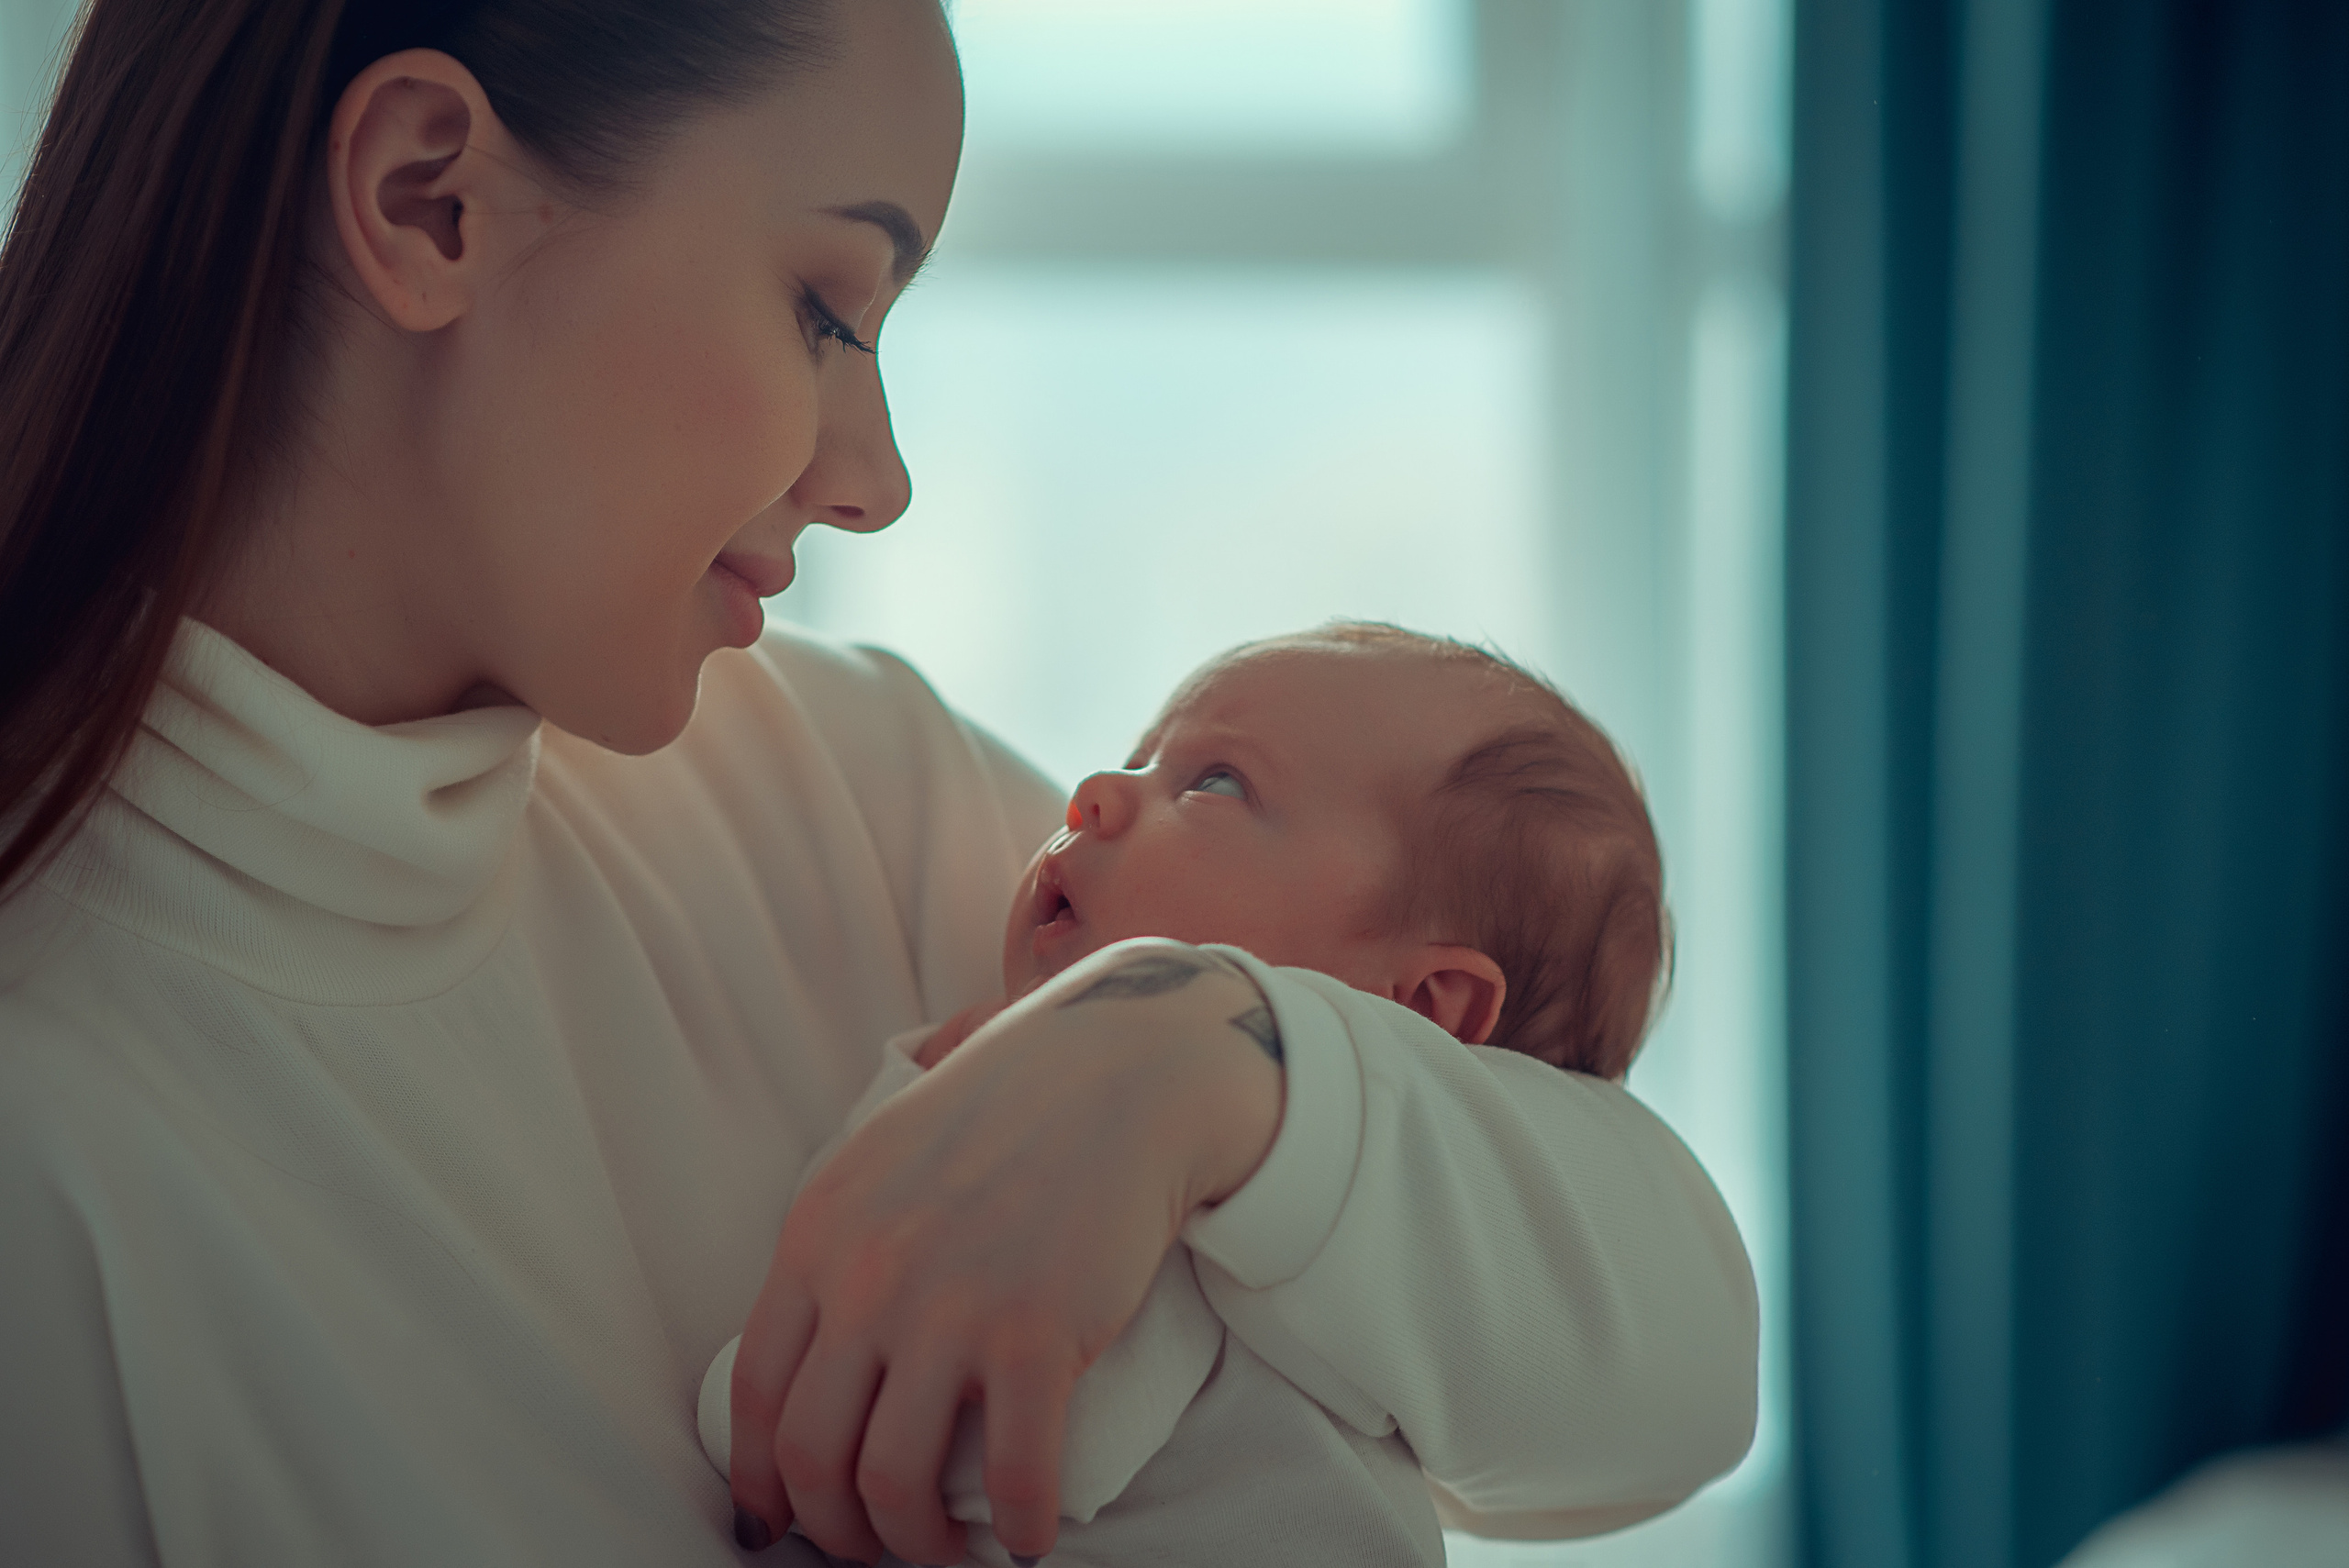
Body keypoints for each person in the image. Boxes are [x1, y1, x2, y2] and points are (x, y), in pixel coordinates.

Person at [0, 3, 1757, 1566]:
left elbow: (1681, 1378)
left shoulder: (838, 784)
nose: (879, 478)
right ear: (427, 198)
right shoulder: (54, 1154)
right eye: (828, 308)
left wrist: (1203, 1055)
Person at [696, 623, 1753, 1567]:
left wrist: (742, 1387)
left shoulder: (1197, 1233)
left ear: (1423, 1007)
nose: (1095, 790)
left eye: (1214, 783)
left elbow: (975, 1441)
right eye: (1141, 754)